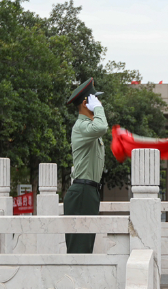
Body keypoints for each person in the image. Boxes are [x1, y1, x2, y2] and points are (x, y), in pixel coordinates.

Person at [64, 77, 108, 254]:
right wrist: (97, 108)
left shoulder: (88, 127)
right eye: (95, 99)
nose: (99, 102)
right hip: (82, 191)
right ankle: (75, 282)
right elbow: (102, 126)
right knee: (79, 249)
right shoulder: (82, 126)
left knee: (85, 246)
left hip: (89, 191)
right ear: (85, 103)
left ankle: (79, 282)